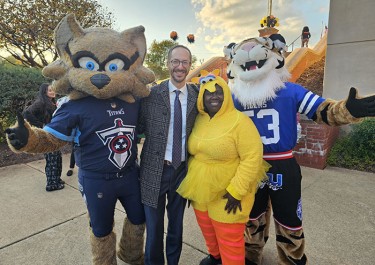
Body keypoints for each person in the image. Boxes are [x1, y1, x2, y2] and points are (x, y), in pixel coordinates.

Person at [177, 70, 268, 265]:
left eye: (219, 91)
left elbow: (252, 158)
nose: (214, 96)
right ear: (202, 96)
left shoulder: (240, 121)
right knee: (208, 231)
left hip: (229, 192)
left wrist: (236, 191)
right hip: (200, 189)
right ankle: (215, 258)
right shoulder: (199, 119)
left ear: (226, 94)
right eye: (208, 93)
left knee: (229, 239)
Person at [138, 44, 199, 265]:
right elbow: (136, 126)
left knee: (176, 227)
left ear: (190, 65)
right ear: (168, 64)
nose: (179, 67)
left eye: (184, 62)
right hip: (154, 171)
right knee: (154, 230)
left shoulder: (197, 96)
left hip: (182, 171)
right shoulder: (151, 95)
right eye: (175, 61)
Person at [23, 83, 64, 191]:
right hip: (47, 135)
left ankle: (56, 179)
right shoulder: (40, 102)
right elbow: (26, 114)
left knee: (57, 157)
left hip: (53, 134)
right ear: (44, 92)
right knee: (52, 159)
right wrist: (40, 125)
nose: (53, 92)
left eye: (53, 90)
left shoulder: (51, 102)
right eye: (50, 90)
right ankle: (51, 184)